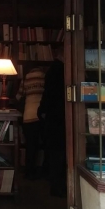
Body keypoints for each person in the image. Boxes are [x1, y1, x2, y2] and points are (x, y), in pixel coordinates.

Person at [37, 45, 66, 198]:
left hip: (53, 118)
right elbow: (50, 94)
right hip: (58, 118)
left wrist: (42, 110)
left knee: (55, 153)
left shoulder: (52, 70)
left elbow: (47, 94)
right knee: (58, 154)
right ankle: (58, 187)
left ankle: (56, 185)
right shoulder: (60, 70)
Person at [15, 66, 47, 179]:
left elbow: (19, 96)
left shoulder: (26, 78)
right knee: (45, 145)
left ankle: (29, 172)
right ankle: (44, 172)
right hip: (43, 115)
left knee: (30, 146)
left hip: (28, 115)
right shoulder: (45, 78)